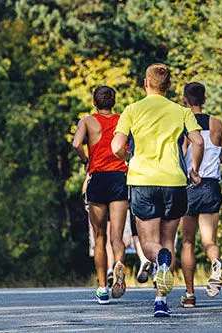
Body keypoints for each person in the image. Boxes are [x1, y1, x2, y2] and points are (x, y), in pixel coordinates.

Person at [111, 63, 204, 317]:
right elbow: (198, 140)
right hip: (174, 181)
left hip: (143, 180)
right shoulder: (181, 111)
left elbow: (117, 145)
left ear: (145, 83)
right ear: (169, 86)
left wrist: (128, 157)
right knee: (168, 241)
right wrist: (194, 169)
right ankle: (160, 301)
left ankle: (159, 260)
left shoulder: (132, 110)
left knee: (150, 243)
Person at [179, 82, 222, 307]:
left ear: (185, 100)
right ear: (204, 99)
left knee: (187, 243)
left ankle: (190, 295)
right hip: (211, 186)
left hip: (188, 187)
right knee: (209, 240)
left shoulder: (182, 124)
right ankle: (215, 262)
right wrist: (214, 158)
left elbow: (180, 153)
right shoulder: (216, 124)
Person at [72, 85, 129, 305]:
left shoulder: (87, 121)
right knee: (117, 236)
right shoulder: (123, 120)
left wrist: (86, 160)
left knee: (99, 237)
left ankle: (103, 288)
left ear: (95, 102)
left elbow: (77, 143)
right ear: (113, 102)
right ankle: (119, 266)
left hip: (98, 179)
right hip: (119, 178)